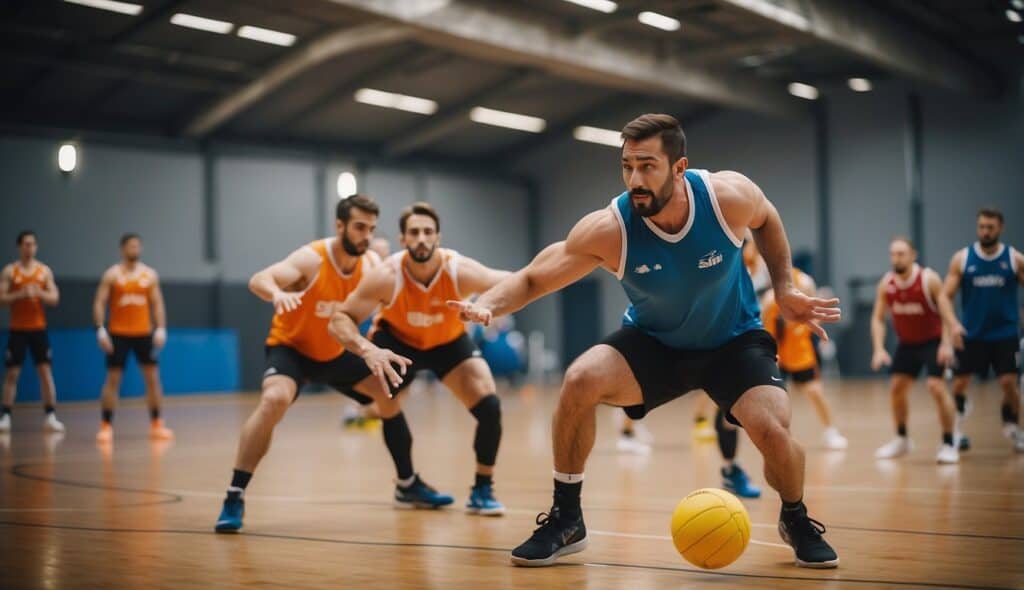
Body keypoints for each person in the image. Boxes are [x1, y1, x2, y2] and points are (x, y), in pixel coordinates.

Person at [450, 114, 841, 568]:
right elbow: (535, 277)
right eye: (627, 166)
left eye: (648, 166)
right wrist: (491, 305)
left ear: (679, 168)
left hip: (734, 340)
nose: (635, 179)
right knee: (579, 379)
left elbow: (768, 219)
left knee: (774, 431)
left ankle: (794, 517)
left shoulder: (725, 198)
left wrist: (784, 288)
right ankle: (566, 518)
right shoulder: (609, 229)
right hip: (655, 342)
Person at [215, 195, 395, 532]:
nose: (365, 235)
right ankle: (234, 493)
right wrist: (277, 293)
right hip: (293, 349)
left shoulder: (371, 264)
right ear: (339, 226)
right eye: (359, 227)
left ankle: (408, 481)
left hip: (337, 352)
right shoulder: (312, 258)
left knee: (391, 391)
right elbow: (259, 279)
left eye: (371, 229)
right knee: (273, 401)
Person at [328, 202, 510, 516]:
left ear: (438, 237)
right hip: (397, 343)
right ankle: (406, 483)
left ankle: (482, 488)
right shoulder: (385, 275)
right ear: (403, 240)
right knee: (386, 405)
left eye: (428, 231)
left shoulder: (459, 270)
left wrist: (489, 306)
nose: (422, 238)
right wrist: (367, 349)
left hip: (448, 343)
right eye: (414, 232)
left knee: (490, 405)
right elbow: (339, 318)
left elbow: (513, 281)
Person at [870, 237, 960, 463]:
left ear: (912, 255)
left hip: (933, 341)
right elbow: (878, 319)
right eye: (893, 254)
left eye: (901, 253)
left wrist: (946, 344)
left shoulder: (929, 279)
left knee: (936, 387)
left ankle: (949, 442)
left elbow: (946, 313)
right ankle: (902, 439)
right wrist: (879, 348)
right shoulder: (887, 283)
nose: (896, 258)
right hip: (907, 343)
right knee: (896, 388)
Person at [943, 207, 1023, 453]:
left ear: (1000, 228)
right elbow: (944, 297)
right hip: (972, 334)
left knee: (1009, 383)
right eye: (981, 227)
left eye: (990, 227)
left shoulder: (1014, 259)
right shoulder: (963, 259)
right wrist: (953, 325)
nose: (985, 231)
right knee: (959, 385)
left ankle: (1011, 423)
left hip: (1005, 333)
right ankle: (956, 430)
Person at [93, 234, 172, 442]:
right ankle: (106, 424)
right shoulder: (112, 275)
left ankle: (156, 423)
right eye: (131, 246)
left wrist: (161, 328)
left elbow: (157, 303)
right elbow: (100, 302)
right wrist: (100, 329)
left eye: (137, 246)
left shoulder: (149, 275)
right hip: (118, 334)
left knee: (153, 379)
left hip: (143, 334)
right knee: (113, 379)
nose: (134, 249)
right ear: (123, 249)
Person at [762, 268, 848, 450]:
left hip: (801, 352)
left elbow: (816, 312)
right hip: (777, 353)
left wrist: (804, 328)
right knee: (776, 399)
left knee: (815, 392)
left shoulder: (804, 282)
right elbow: (762, 322)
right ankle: (780, 436)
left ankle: (831, 431)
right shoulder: (768, 296)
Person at [0, 231, 64, 433]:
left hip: (38, 330)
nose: (29, 248)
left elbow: (54, 298)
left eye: (32, 244)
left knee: (45, 372)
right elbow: (1, 299)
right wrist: (20, 294)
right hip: (18, 330)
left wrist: (40, 293)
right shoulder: (11, 271)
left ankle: (50, 415)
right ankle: (6, 415)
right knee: (12, 373)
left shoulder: (43, 271)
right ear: (19, 247)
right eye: (26, 244)